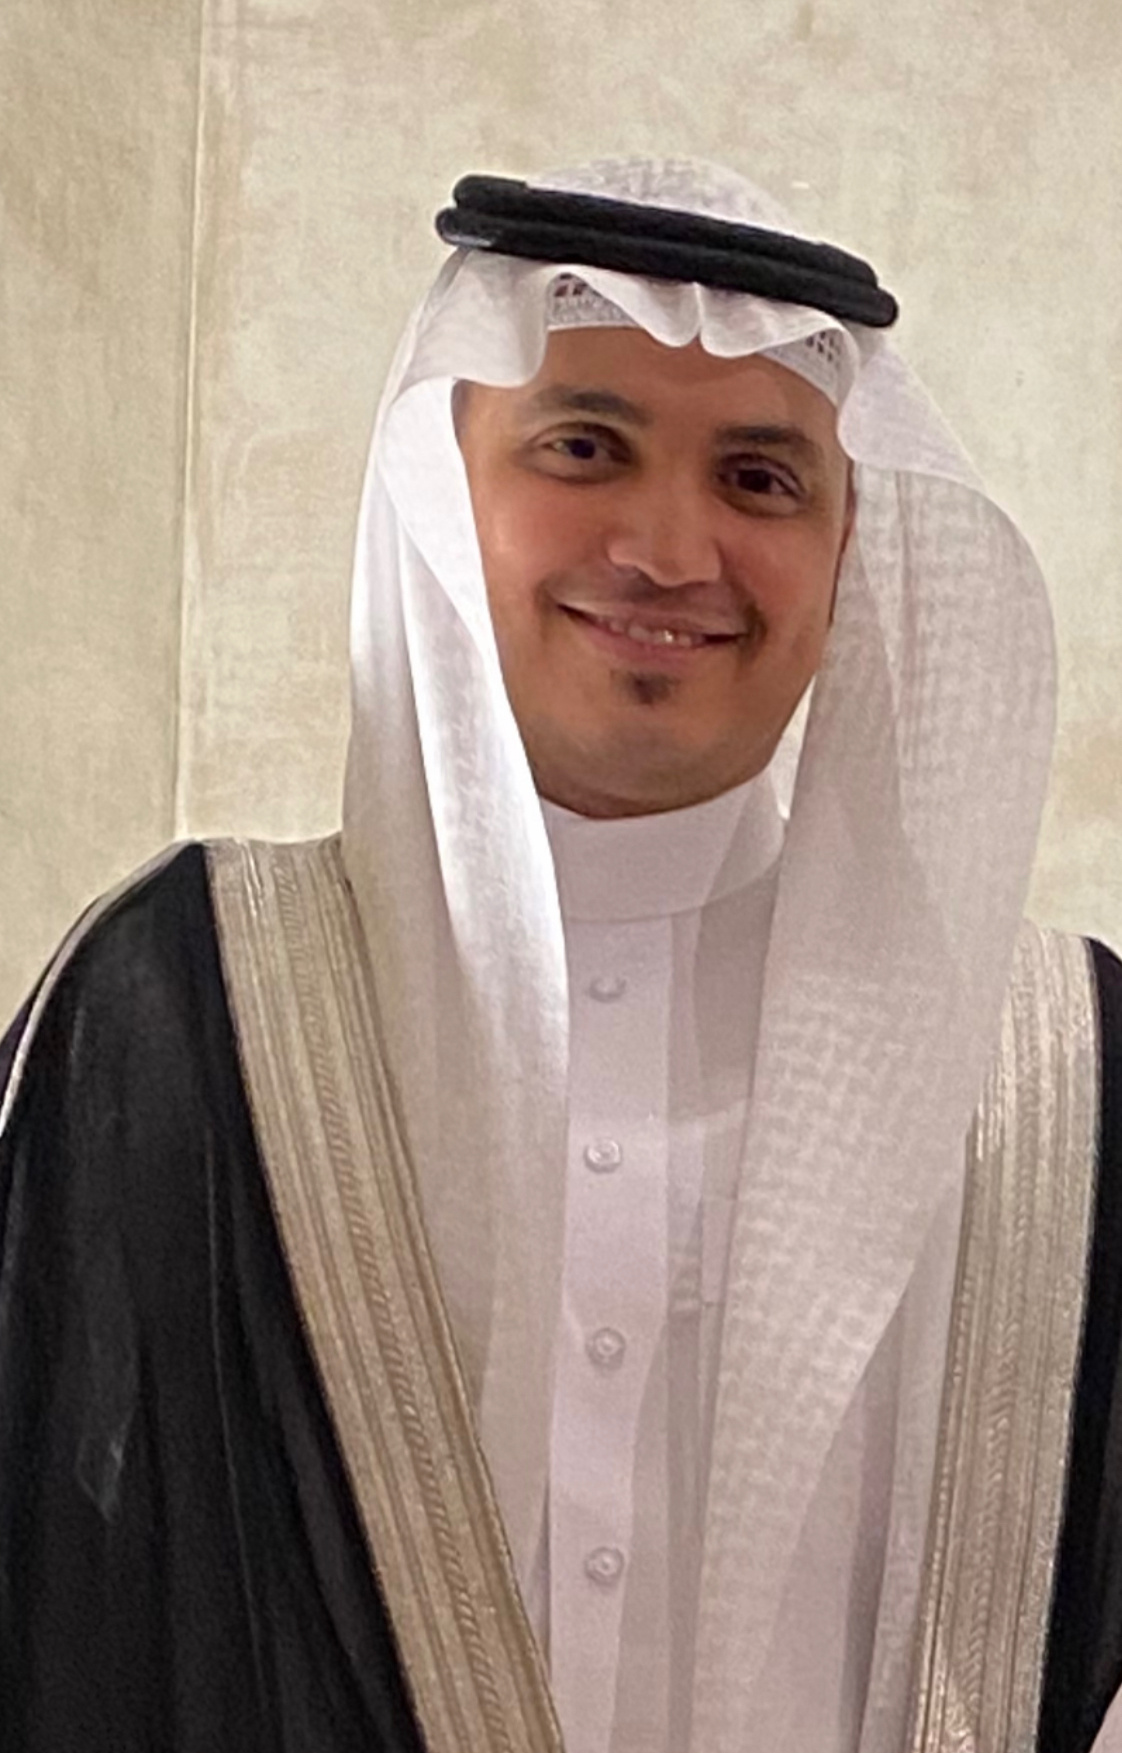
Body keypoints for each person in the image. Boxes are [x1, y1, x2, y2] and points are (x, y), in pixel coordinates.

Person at [0, 154, 1118, 1753]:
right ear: (446, 488)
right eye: (583, 447)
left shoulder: (1061, 1078)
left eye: (759, 478)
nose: (666, 549)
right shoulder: (182, 1003)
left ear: (849, 550)